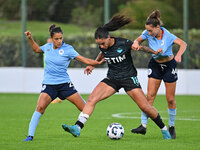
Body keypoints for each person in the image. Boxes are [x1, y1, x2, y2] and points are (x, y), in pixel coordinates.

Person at [61, 15, 171, 140]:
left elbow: (141, 48)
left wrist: (154, 52)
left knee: (145, 107)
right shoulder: (103, 47)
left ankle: (163, 129)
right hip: (112, 79)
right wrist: (93, 65)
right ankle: (77, 127)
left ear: (108, 38)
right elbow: (103, 53)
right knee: (92, 99)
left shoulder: (123, 43)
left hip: (129, 78)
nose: (101, 46)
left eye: (102, 43)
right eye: (99, 44)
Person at [22, 24, 103, 141]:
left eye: (61, 38)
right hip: (49, 85)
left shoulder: (68, 49)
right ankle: (30, 136)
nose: (59, 41)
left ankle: (77, 128)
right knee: (40, 108)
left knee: (85, 107)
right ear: (51, 39)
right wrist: (30, 38)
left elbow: (84, 60)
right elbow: (36, 49)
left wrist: (98, 63)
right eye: (56, 39)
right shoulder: (47, 47)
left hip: (64, 85)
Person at [131, 10, 187, 139]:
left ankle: (171, 126)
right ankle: (143, 126)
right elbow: (138, 40)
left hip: (169, 66)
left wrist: (178, 55)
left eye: (151, 31)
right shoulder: (147, 32)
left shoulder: (168, 36)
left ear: (158, 27)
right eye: (147, 31)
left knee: (170, 99)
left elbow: (183, 44)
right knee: (149, 97)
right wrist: (135, 43)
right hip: (155, 65)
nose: (148, 33)